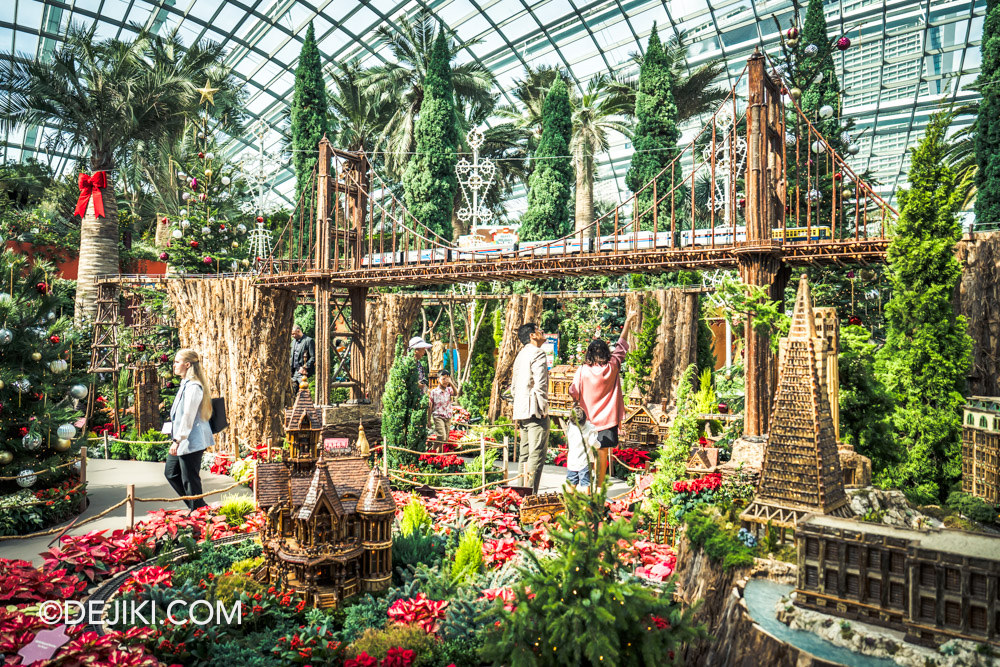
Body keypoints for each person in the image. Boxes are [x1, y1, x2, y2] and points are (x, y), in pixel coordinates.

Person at [570, 310, 639, 488]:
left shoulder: (582, 370)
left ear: (589, 354)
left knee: (585, 451)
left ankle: (586, 486)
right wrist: (629, 319)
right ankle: (599, 488)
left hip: (587, 420)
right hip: (608, 421)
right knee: (602, 453)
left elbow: (574, 392)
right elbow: (622, 345)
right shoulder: (613, 366)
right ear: (606, 352)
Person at [164, 348, 214, 512]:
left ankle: (198, 513)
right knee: (171, 473)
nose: (174, 365)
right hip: (183, 440)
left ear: (187, 364)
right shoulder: (185, 384)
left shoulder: (193, 387)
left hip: (190, 441)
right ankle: (199, 508)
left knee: (190, 480)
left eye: (177, 362)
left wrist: (177, 439)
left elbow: (188, 416)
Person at [510, 321, 549, 493]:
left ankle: (520, 495)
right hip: (535, 411)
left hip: (521, 411)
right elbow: (540, 385)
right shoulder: (538, 353)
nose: (542, 332)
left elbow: (513, 387)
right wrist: (542, 409)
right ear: (532, 335)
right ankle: (530, 497)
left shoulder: (521, 355)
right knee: (536, 455)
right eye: (539, 330)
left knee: (524, 456)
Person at [564, 405, 597, 493]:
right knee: (586, 483)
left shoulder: (570, 426)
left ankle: (568, 503)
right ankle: (585, 505)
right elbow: (593, 442)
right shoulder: (590, 427)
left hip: (572, 461)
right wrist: (600, 445)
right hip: (585, 461)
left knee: (571, 483)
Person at [428, 370, 459, 450]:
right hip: (438, 416)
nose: (446, 381)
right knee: (441, 436)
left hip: (447, 416)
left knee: (445, 439)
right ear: (438, 379)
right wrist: (428, 420)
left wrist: (451, 383)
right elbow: (430, 406)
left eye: (447, 379)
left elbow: (456, 393)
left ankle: (439, 455)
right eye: (444, 379)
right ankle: (432, 451)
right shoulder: (434, 392)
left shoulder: (449, 390)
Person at [290, 324, 315, 393]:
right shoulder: (293, 342)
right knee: (292, 391)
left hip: (303, 372)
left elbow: (313, 357)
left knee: (304, 393)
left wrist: (305, 367)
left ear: (298, 331)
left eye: (293, 334)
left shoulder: (308, 340)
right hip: (293, 372)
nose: (293, 336)